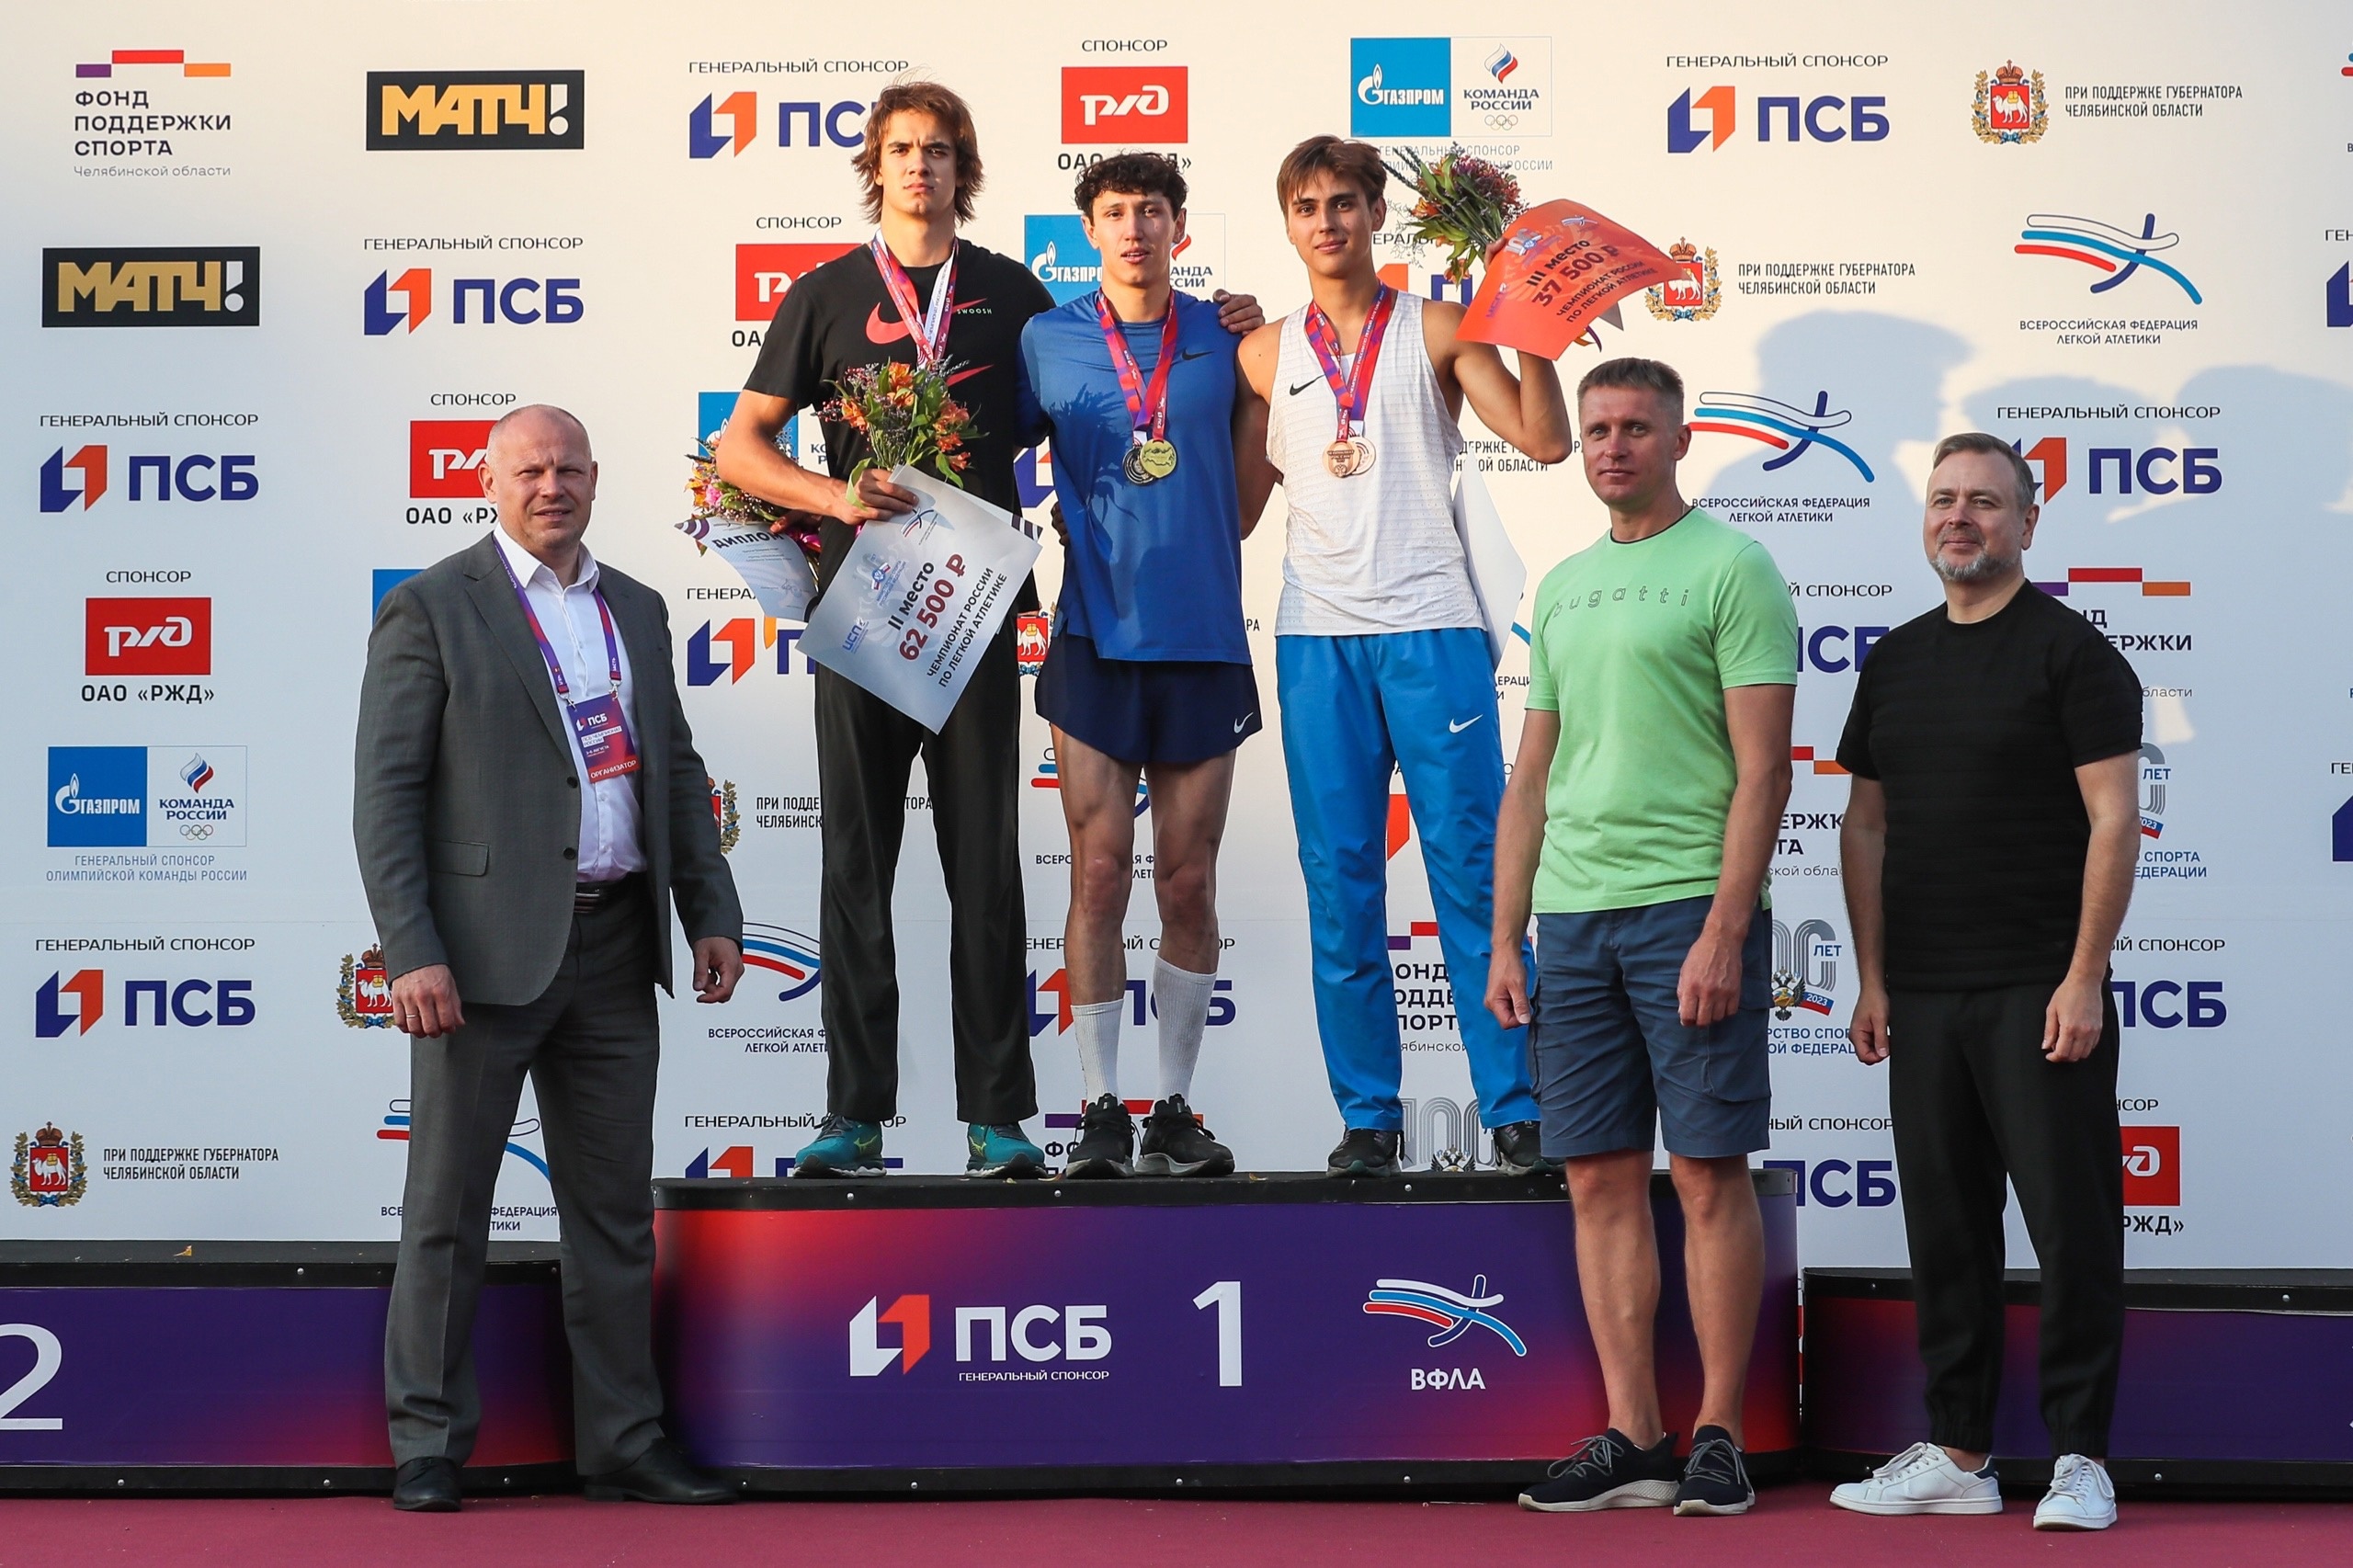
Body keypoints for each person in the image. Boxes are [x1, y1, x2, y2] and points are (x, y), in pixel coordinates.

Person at [715, 82, 1259, 1179]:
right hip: (862, 611)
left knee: (986, 865)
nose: (920, 166)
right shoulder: (822, 294)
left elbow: (1117, 377)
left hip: (972, 609)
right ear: (875, 165)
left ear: (964, 169)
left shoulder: (1017, 297)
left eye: (940, 150)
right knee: (854, 863)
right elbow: (739, 448)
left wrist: (1230, 329)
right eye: (902, 149)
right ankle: (853, 1114)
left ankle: (998, 1119)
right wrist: (833, 497)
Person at [356, 404, 745, 1511]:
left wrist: (708, 908)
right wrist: (412, 949)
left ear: (594, 478)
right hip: (478, 961)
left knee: (613, 1215)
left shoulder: (640, 608)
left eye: (568, 467)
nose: (551, 485)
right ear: (488, 482)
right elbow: (385, 795)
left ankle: (623, 1440)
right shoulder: (432, 604)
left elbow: (674, 770)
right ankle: (428, 1442)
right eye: (529, 469)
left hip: (617, 946)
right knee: (447, 1210)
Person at [1487, 358, 1796, 1517]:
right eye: (1597, 429)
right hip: (1571, 920)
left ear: (1677, 440)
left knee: (1709, 1174)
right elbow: (1531, 776)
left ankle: (1718, 1434)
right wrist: (1505, 936)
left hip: (1687, 910)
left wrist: (1724, 928)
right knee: (1597, 1178)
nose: (1612, 446)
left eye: (1634, 427)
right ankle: (1633, 1433)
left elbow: (1764, 770)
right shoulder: (1565, 584)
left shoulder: (1732, 567)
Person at [1235, 134, 1572, 1178]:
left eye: (1344, 202)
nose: (1326, 221)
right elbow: (1235, 512)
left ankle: (1515, 1106)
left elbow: (1544, 440)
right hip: (1317, 641)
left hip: (1431, 628)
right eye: (1306, 206)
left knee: (1473, 874)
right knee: (1340, 888)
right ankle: (1369, 1118)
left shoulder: (1437, 325)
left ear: (1378, 213)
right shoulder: (1261, 354)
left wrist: (1532, 331)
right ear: (1286, 224)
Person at [1827, 434, 2140, 1532]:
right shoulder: (1894, 660)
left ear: (2027, 520)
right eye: (1944, 498)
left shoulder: (2073, 655)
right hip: (1921, 994)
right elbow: (1864, 824)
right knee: (1946, 1231)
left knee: (2071, 1228)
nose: (1959, 517)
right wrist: (1872, 978)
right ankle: (1960, 1450)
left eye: (1985, 501)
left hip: (2038, 991)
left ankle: (2080, 1457)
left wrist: (2082, 976)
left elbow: (2114, 820)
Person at [1017, 152, 1276, 1177]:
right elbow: (984, 460)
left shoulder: (1230, 335)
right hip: (1093, 635)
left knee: (1187, 880)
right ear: (1089, 230)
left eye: (1152, 211)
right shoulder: (1046, 338)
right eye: (1116, 212)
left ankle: (1171, 1105)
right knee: (1095, 872)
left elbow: (1248, 499)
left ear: (1180, 227)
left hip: (1203, 636)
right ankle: (1096, 1108)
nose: (1134, 229)